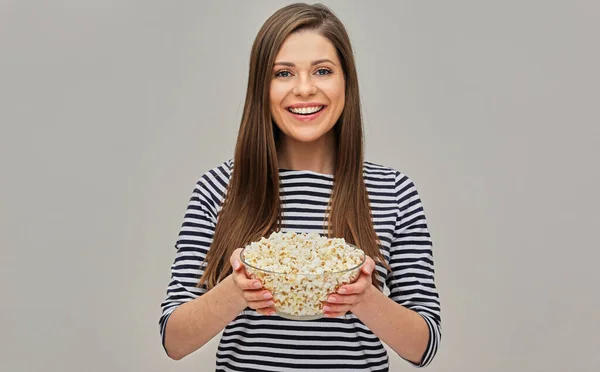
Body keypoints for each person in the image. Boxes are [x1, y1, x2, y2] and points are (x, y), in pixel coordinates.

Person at [159, 3, 441, 371]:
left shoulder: (393, 191)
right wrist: (236, 290)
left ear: (346, 81)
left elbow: (425, 345)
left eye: (323, 71)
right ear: (262, 86)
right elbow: (174, 339)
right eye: (283, 73)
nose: (304, 89)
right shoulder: (219, 188)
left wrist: (365, 299)